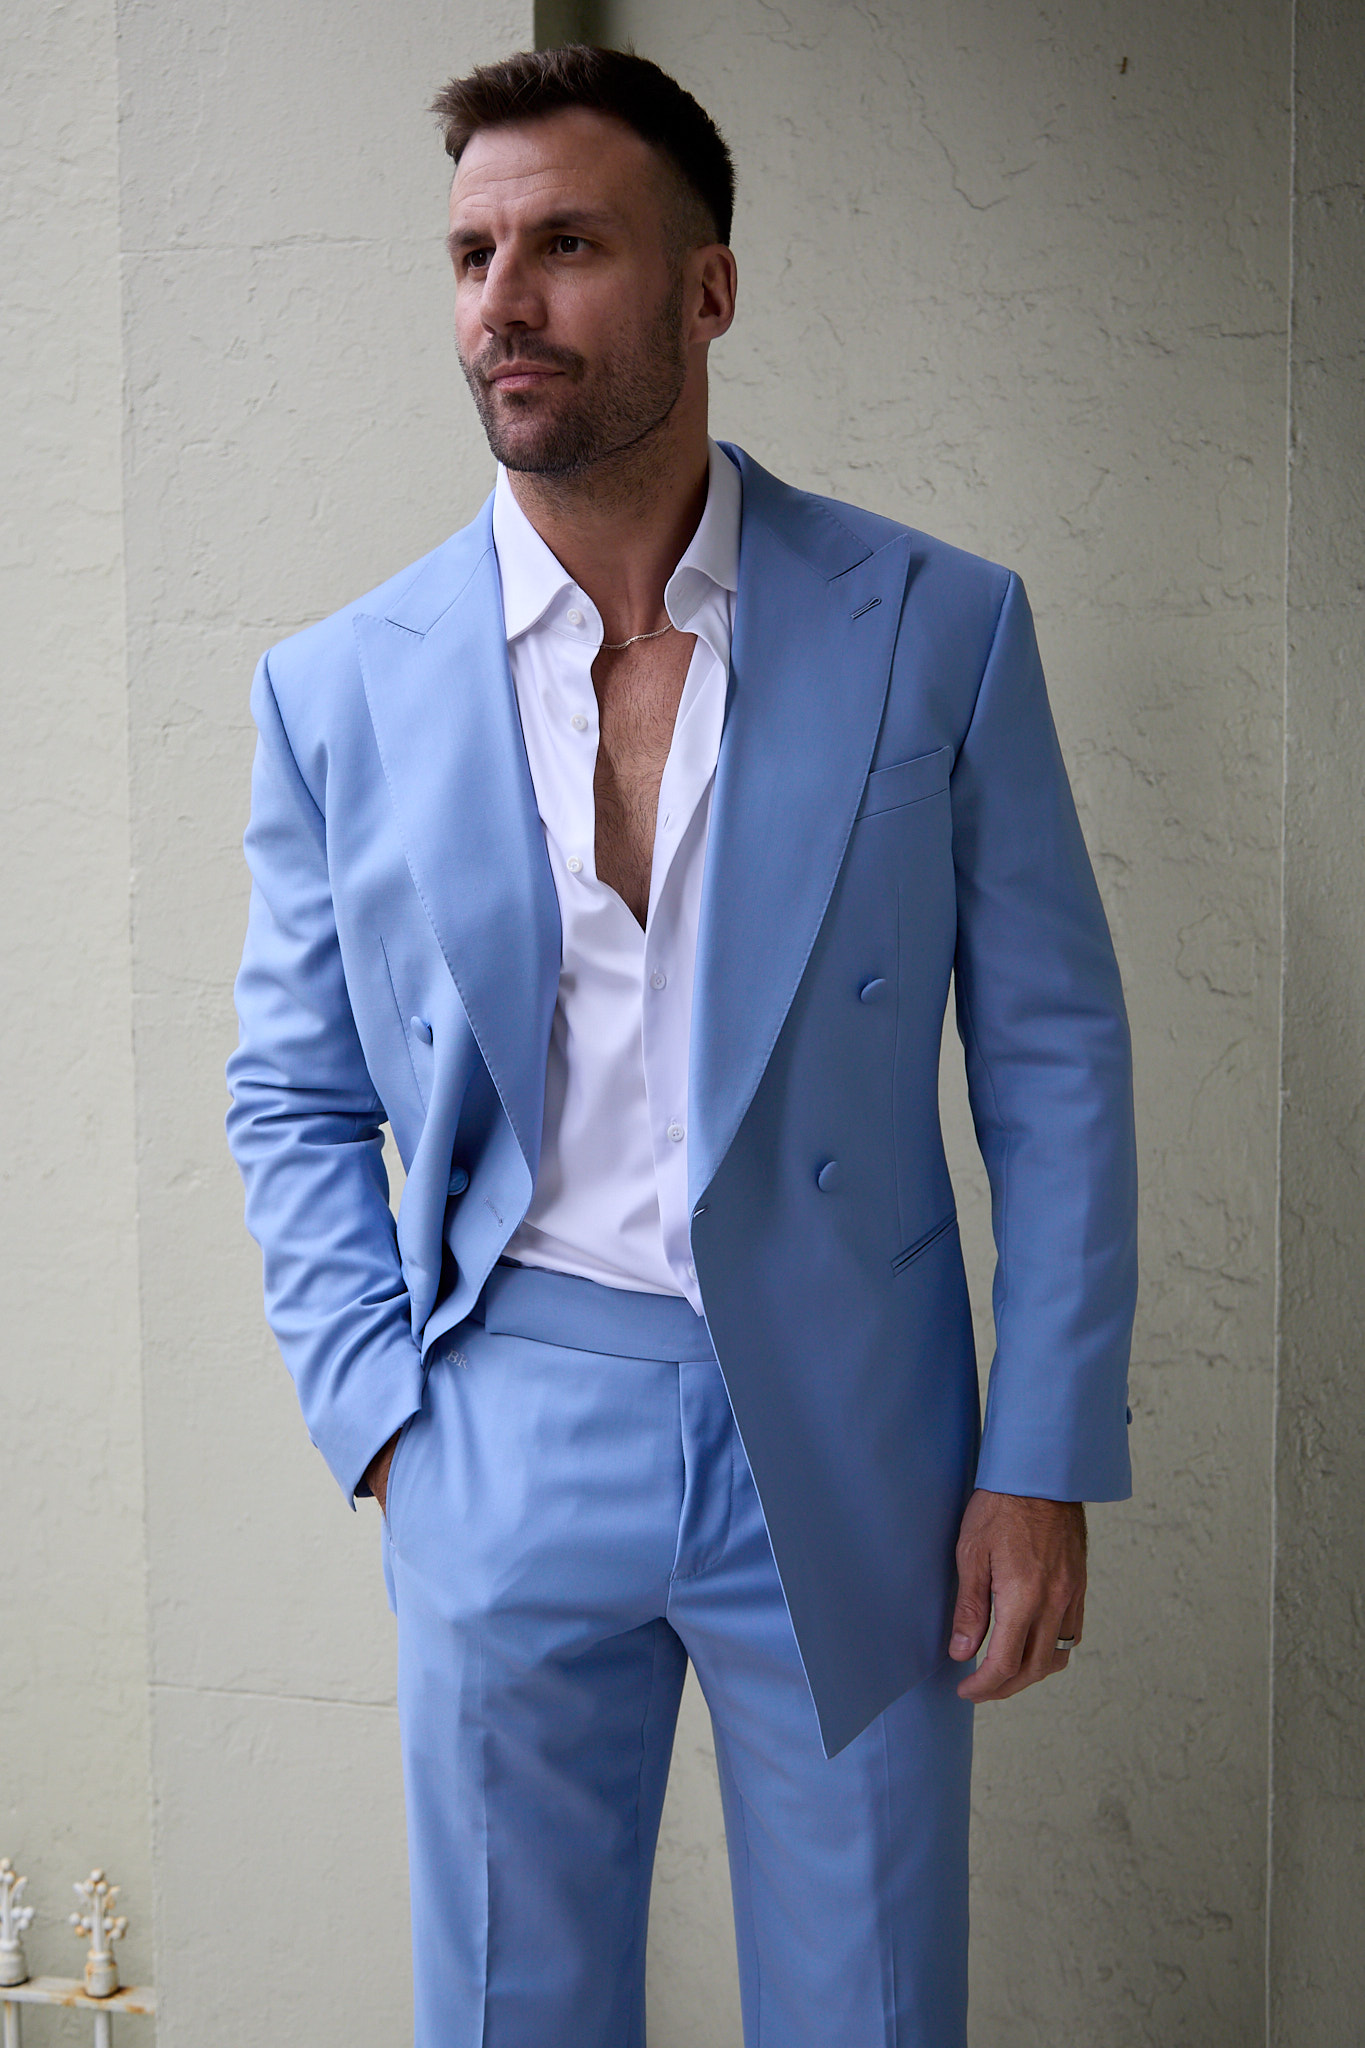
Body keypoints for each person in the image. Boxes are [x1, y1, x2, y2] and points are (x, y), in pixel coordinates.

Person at [226, 43, 1137, 2048]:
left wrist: (1041, 1452)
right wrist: (383, 1419)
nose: (504, 299)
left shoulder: (937, 623)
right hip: (502, 1417)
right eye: (471, 254)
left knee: (868, 2006)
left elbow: (1054, 1056)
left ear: (706, 289)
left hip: (860, 1430)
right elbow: (291, 1087)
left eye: (566, 243)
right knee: (510, 2012)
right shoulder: (337, 687)